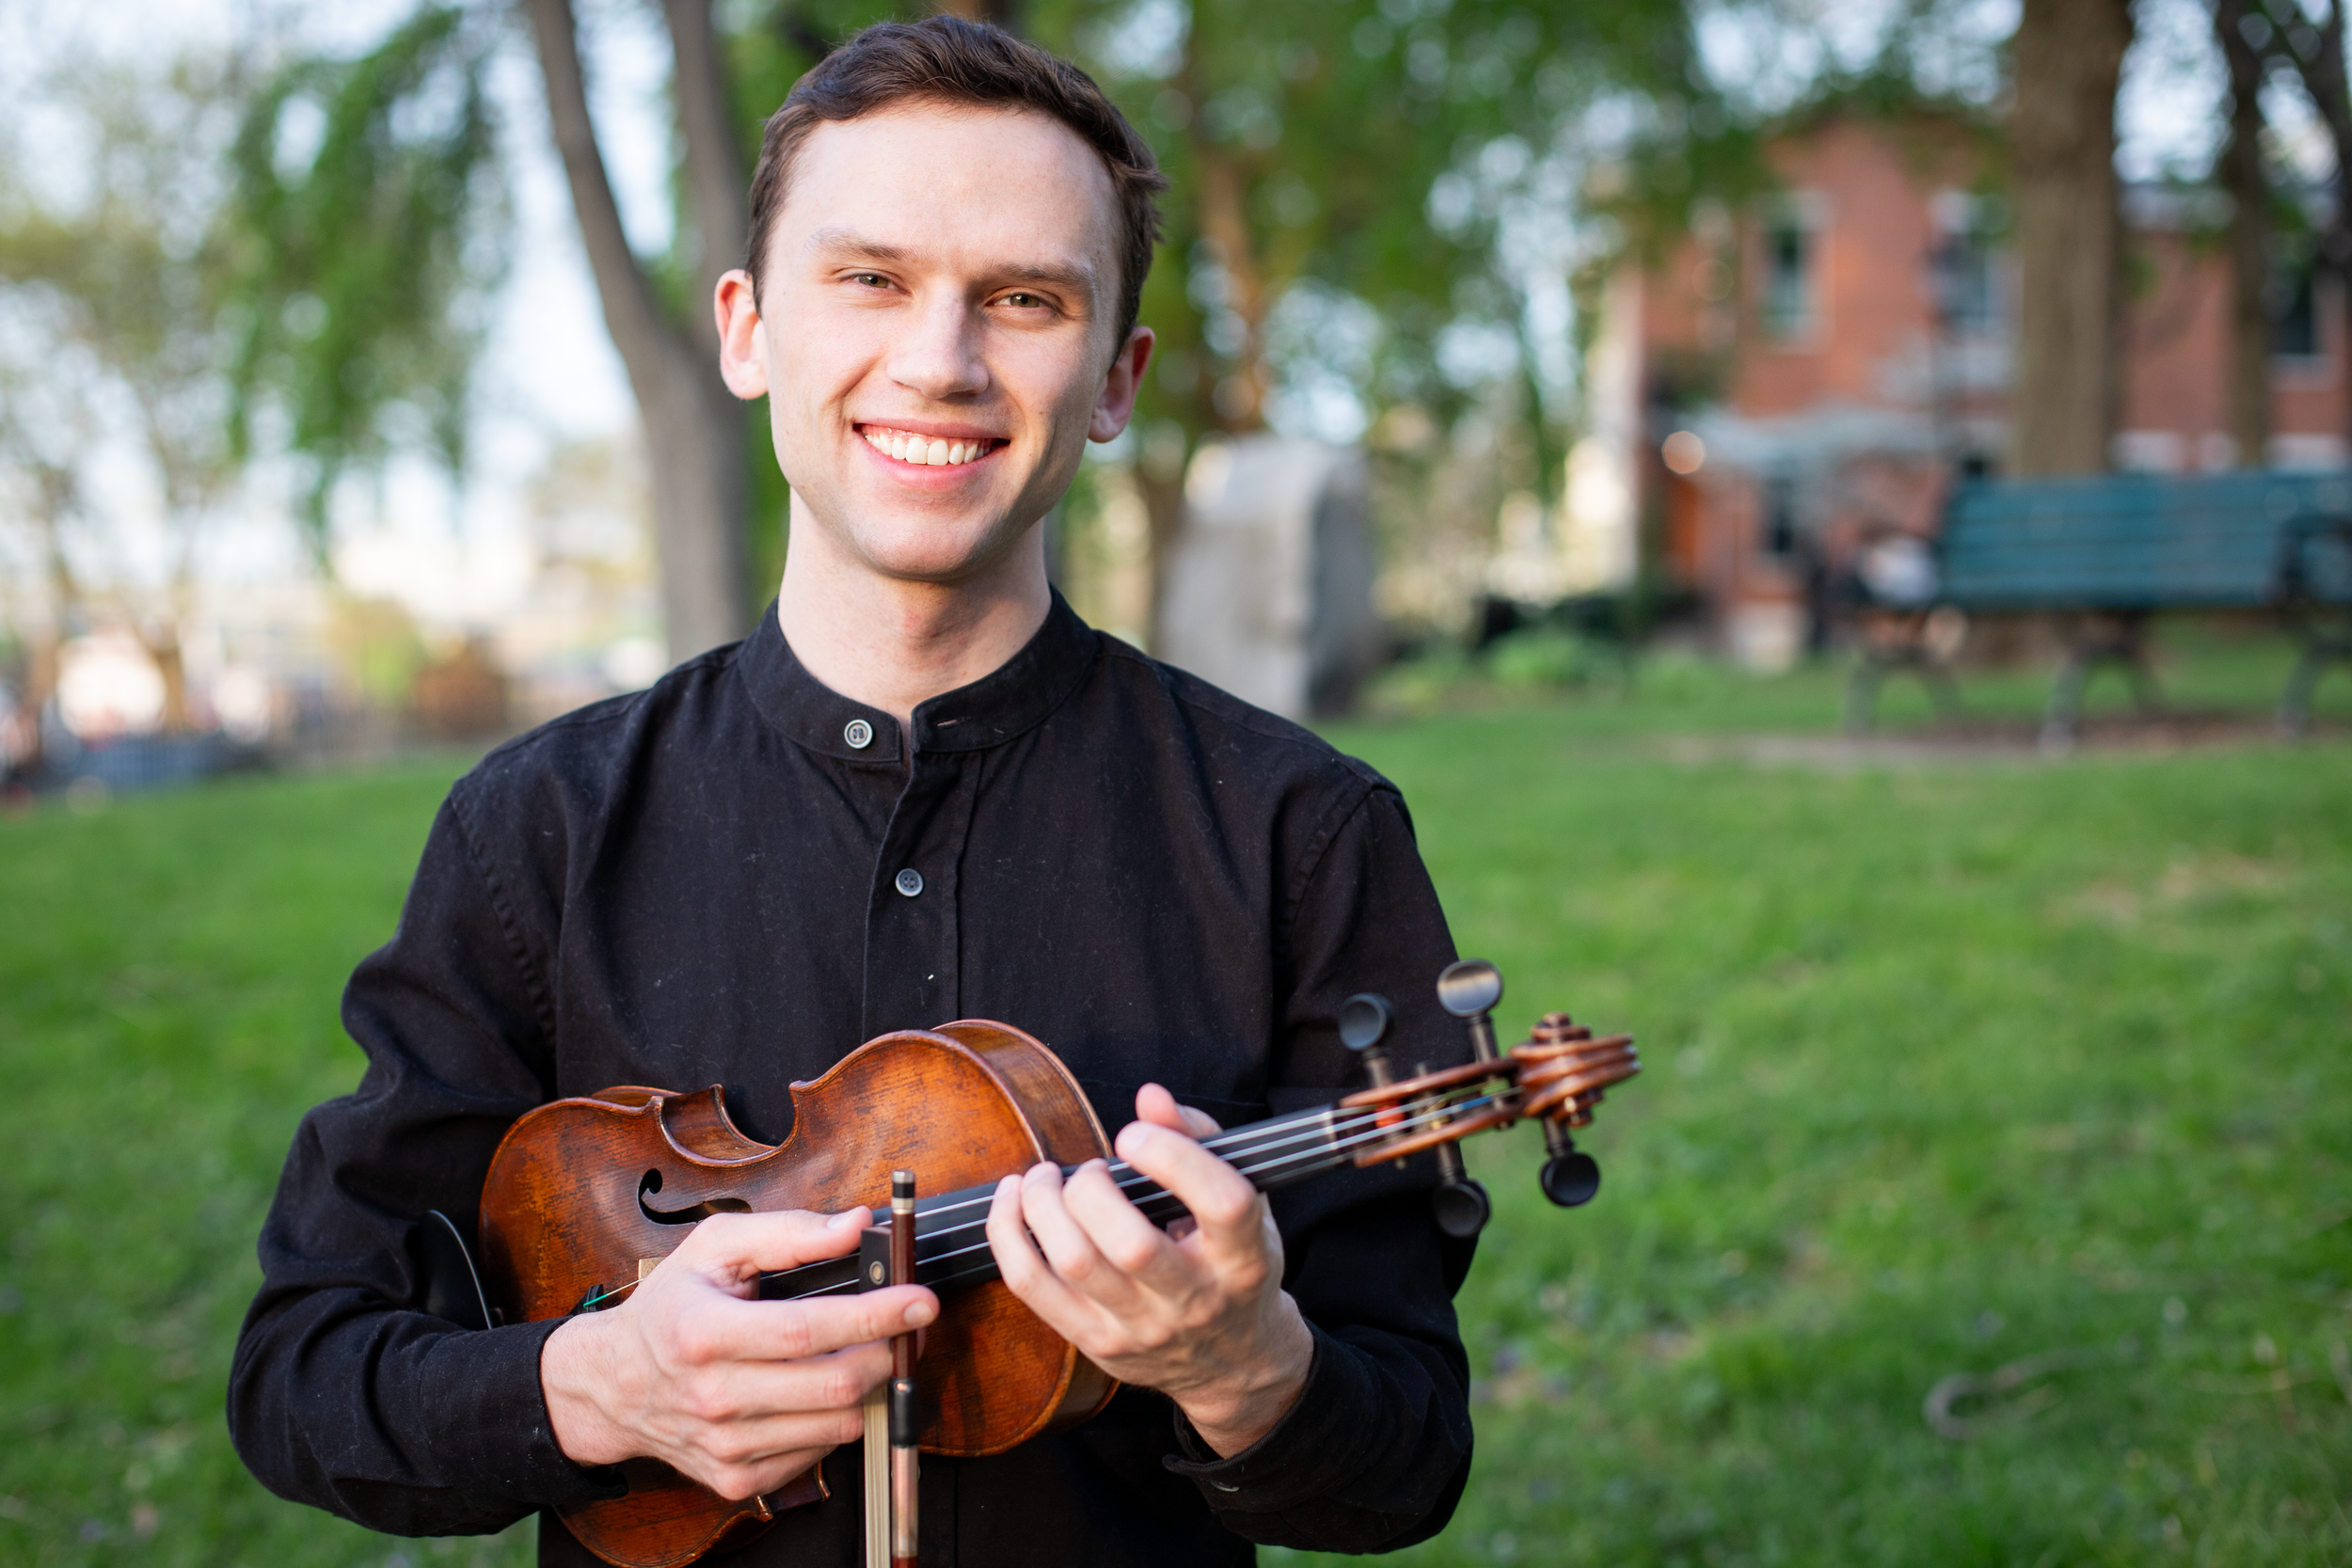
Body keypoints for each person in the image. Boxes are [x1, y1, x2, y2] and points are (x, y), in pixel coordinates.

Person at [230, 18, 1475, 1567]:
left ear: (1114, 378)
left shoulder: (1304, 832)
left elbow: (1405, 1459)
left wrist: (1244, 1365)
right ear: (749, 329)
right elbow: (301, 1372)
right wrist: (595, 1386)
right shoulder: (535, 832)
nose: (941, 360)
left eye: (1025, 298)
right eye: (871, 278)